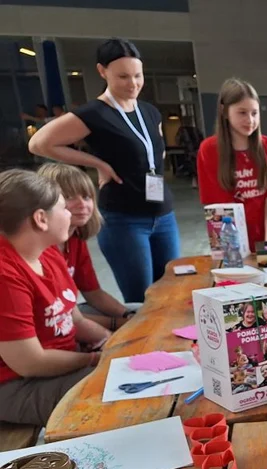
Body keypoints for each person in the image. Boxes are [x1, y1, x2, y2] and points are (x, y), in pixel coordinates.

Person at [28, 37, 180, 304]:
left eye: (137, 75)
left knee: (173, 293)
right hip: (126, 219)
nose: (132, 84)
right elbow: (39, 143)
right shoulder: (94, 113)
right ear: (102, 71)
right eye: (122, 76)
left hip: (163, 215)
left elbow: (156, 151)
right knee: (141, 302)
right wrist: (98, 164)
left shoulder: (150, 112)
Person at [0, 169, 112, 426]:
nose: (69, 214)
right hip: (16, 385)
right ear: (41, 219)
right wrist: (96, 359)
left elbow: (76, 320)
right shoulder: (6, 275)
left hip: (60, 364)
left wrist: (115, 343)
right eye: (63, 207)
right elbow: (30, 362)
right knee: (117, 387)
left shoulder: (47, 253)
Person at [197, 79, 267, 245]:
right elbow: (218, 207)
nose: (250, 120)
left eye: (254, 113)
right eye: (242, 113)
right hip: (230, 235)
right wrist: (231, 248)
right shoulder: (209, 150)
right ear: (224, 111)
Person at [36, 163, 134, 332]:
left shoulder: (75, 239)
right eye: (69, 197)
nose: (82, 204)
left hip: (71, 317)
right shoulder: (40, 248)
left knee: (138, 309)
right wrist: (119, 325)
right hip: (52, 328)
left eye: (87, 196)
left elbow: (93, 293)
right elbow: (58, 316)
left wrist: (129, 315)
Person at [175, 117, 203, 189]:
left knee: (195, 167)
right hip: (194, 151)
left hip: (192, 151)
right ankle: (196, 182)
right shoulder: (194, 130)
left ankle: (196, 182)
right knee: (195, 167)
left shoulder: (184, 130)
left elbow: (178, 141)